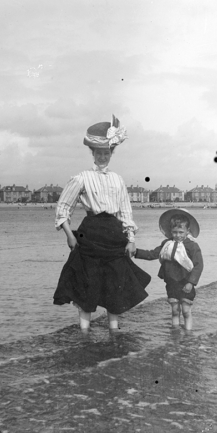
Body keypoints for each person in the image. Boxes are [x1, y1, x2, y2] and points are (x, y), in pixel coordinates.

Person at [53, 115, 151, 332]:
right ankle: (84, 332)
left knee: (114, 283)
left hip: (115, 236)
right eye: (99, 153)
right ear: (93, 154)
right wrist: (69, 235)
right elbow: (63, 208)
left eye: (107, 153)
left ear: (111, 154)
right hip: (91, 235)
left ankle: (114, 332)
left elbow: (126, 211)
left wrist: (131, 239)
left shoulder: (118, 179)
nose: (103, 157)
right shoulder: (82, 178)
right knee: (87, 284)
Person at [134, 209, 203, 330]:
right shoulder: (166, 244)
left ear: (188, 231)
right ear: (170, 231)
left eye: (181, 232)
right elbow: (153, 254)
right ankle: (175, 334)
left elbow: (198, 265)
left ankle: (188, 334)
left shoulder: (192, 245)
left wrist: (191, 282)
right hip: (171, 283)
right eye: (175, 232)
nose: (177, 235)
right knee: (175, 311)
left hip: (185, 283)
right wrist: (136, 252)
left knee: (186, 311)